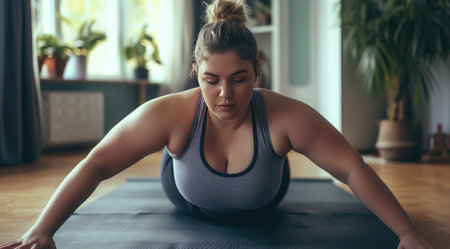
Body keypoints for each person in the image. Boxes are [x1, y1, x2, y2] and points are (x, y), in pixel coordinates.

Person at [1, 0, 434, 248]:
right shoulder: (172, 112)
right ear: (196, 74)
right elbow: (97, 163)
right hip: (188, 195)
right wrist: (42, 230)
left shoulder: (285, 115)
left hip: (264, 199)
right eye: (211, 81)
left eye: (239, 80)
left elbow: (351, 167)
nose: (224, 94)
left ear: (257, 75)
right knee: (174, 158)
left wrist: (408, 233)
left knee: (281, 162)